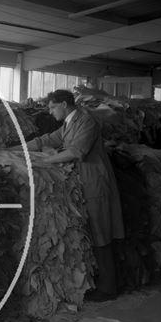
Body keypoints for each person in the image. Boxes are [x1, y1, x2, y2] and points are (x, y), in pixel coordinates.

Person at [17, 89, 124, 301]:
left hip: (94, 181)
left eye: (52, 107)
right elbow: (47, 139)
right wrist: (17, 150)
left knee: (100, 232)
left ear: (64, 105)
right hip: (84, 181)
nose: (49, 111)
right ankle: (100, 282)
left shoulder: (86, 121)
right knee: (93, 232)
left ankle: (109, 288)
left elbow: (77, 151)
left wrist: (43, 161)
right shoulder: (69, 123)